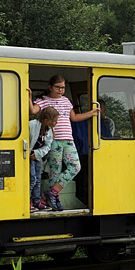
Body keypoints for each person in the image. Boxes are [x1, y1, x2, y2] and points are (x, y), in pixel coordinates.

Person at [30, 76, 98, 211]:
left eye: (63, 88)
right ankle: (54, 199)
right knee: (54, 172)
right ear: (50, 87)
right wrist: (29, 96)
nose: (61, 90)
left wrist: (91, 113)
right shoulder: (43, 101)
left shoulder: (66, 101)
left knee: (75, 166)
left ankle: (52, 193)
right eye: (58, 87)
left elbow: (74, 117)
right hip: (53, 141)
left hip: (68, 140)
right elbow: (32, 111)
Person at [29, 106, 59, 211]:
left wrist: (37, 154)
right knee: (31, 179)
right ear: (46, 120)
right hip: (28, 156)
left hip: (36, 156)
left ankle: (36, 201)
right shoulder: (32, 125)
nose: (55, 123)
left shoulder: (49, 130)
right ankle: (27, 201)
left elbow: (47, 146)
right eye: (54, 121)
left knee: (38, 179)